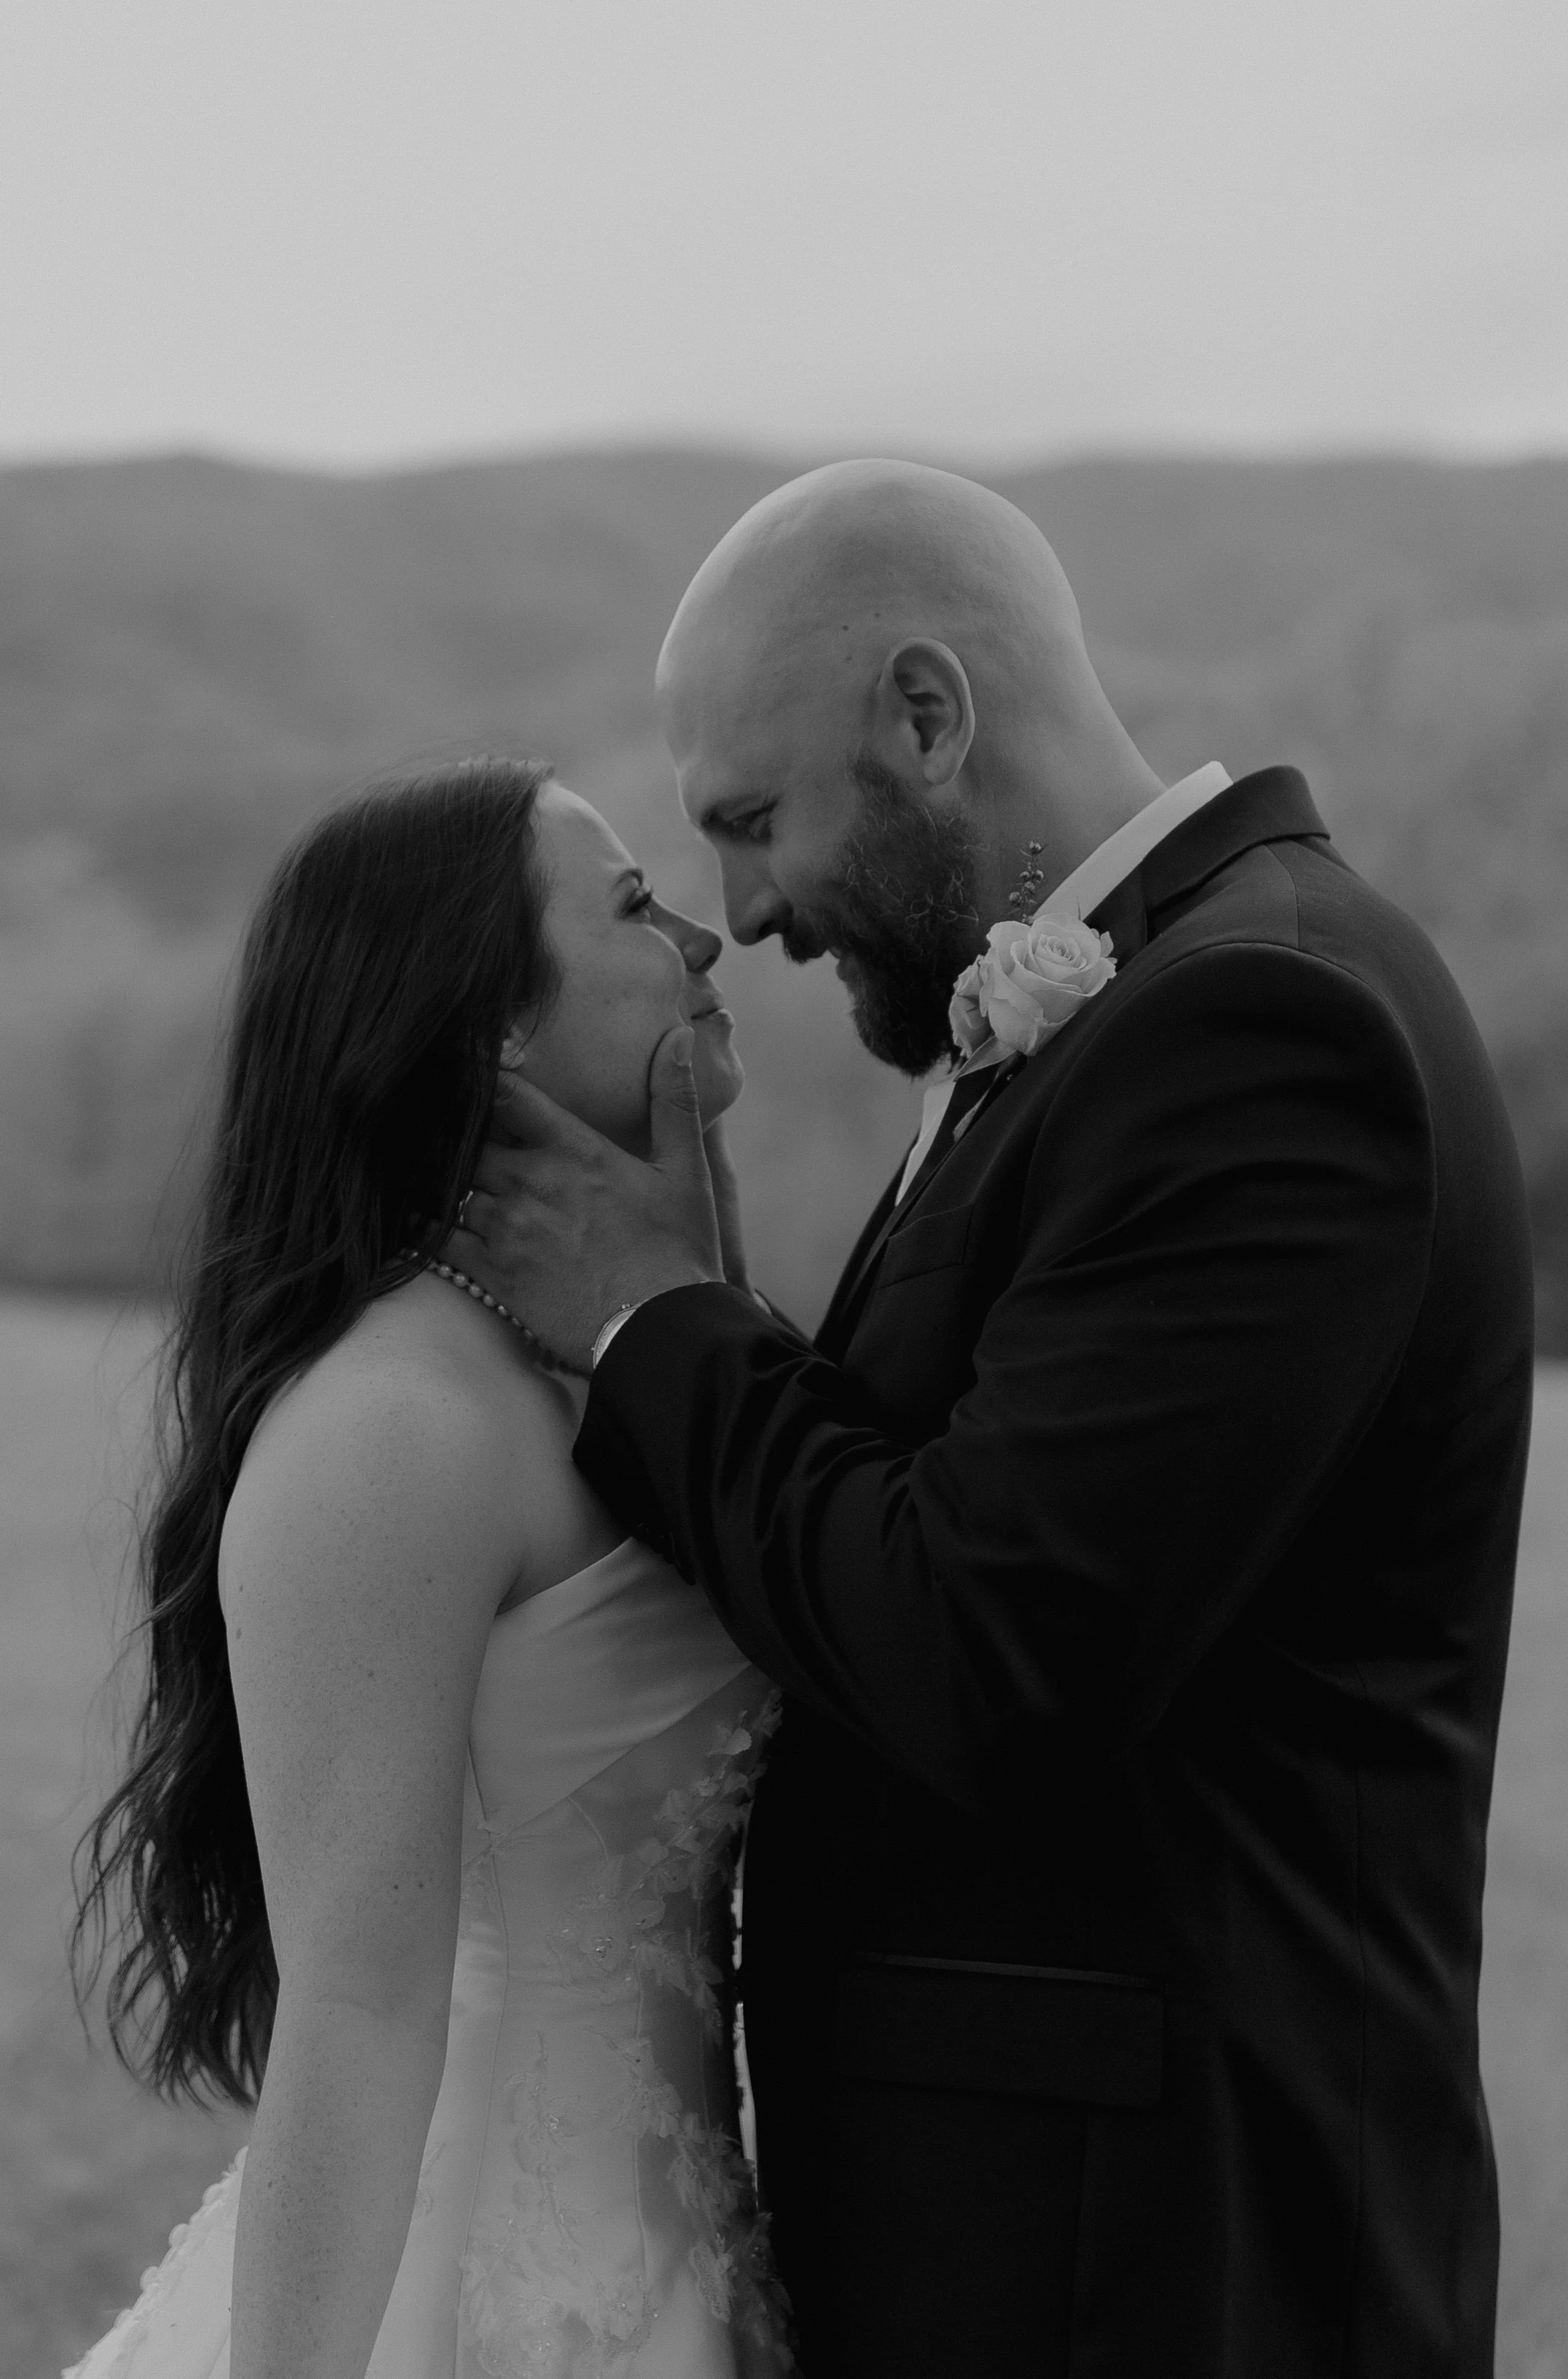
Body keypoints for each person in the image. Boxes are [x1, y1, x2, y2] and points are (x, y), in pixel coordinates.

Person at [455, 461, 1534, 2376]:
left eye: (754, 819)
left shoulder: (1262, 1029)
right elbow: (946, 1502)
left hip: (1168, 2282)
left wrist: (644, 1314)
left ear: (928, 716)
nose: (749, 910)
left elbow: (988, 1641)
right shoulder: (1139, 1021)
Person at [68, 758, 796, 2379]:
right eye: (629, 906)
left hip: (692, 2250)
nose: (702, 933)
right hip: (472, 2289)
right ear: (492, 1032)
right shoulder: (399, 1419)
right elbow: (359, 2003)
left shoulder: (619, 1359)